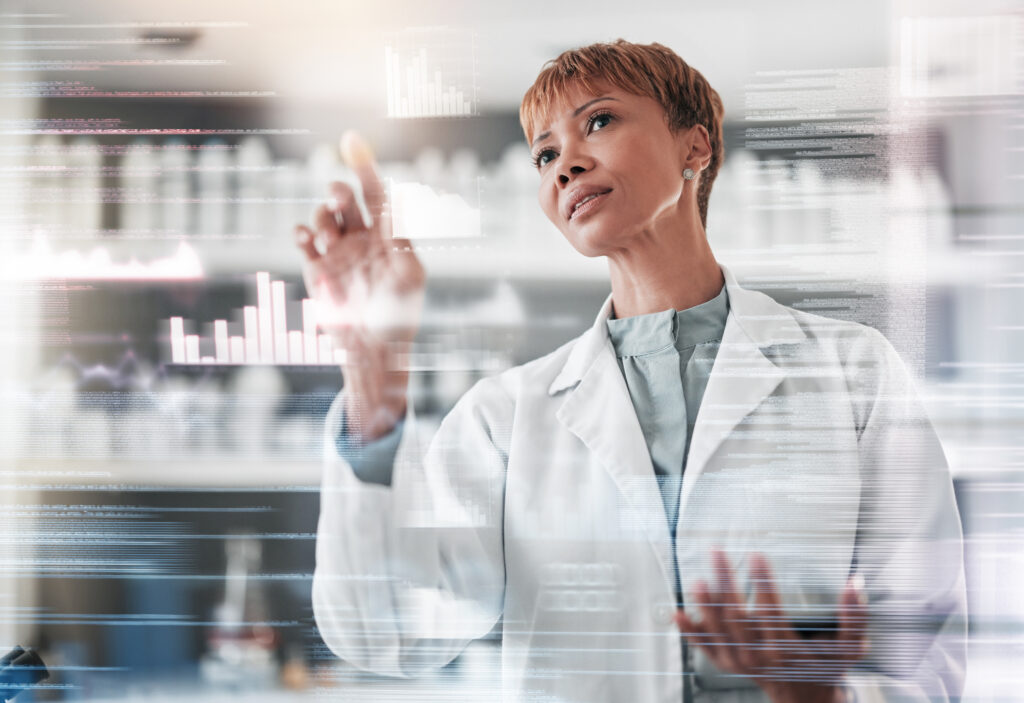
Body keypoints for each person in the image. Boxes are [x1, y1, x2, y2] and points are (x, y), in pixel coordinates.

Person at [298, 40, 966, 703]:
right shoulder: (503, 417)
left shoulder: (853, 374)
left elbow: (925, 654)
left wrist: (821, 697)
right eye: (545, 155)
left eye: (599, 120)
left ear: (695, 147)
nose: (566, 165)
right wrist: (371, 373)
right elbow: (386, 630)